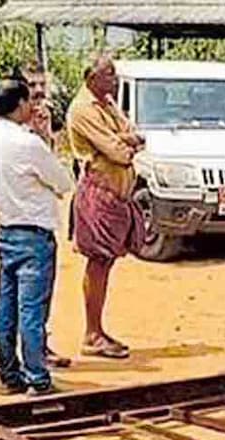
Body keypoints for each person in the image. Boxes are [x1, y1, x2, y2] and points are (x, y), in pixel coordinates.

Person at [0, 79, 74, 395]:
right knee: (32, 310)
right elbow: (63, 181)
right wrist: (45, 138)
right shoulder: (28, 143)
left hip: (6, 229)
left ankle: (9, 372)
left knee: (5, 306)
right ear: (20, 104)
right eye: (29, 100)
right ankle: (37, 377)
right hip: (34, 233)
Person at [67, 53, 146, 359]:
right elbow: (118, 152)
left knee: (107, 261)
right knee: (98, 261)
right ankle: (92, 333)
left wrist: (125, 139)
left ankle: (97, 330)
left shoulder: (108, 103)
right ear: (92, 78)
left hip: (116, 196)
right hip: (99, 193)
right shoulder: (83, 109)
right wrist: (126, 141)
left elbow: (133, 135)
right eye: (109, 74)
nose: (115, 79)